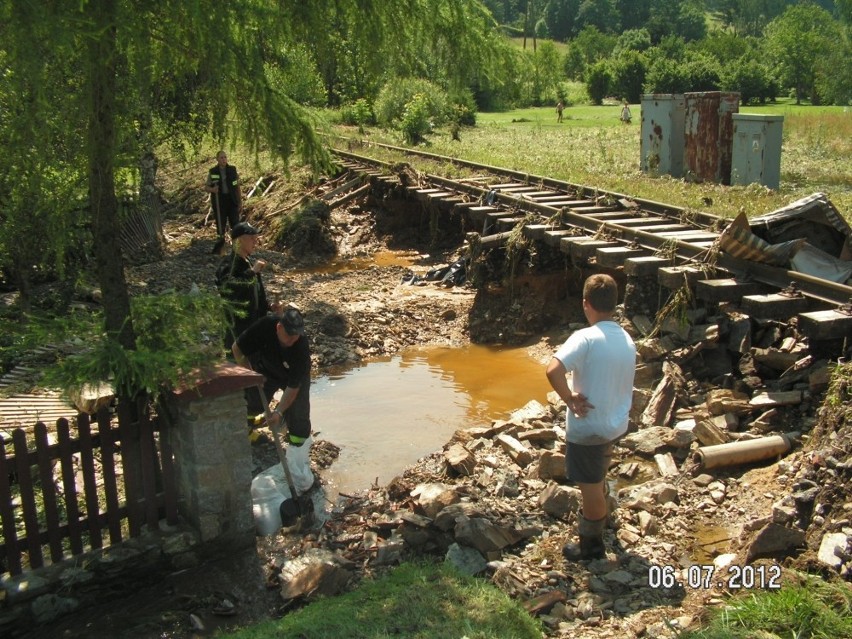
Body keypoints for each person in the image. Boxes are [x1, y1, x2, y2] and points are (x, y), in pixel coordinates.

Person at [545, 274, 636, 560]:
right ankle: (604, 506)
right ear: (615, 304)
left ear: (586, 304)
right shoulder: (626, 337)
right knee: (598, 473)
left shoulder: (586, 337)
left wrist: (569, 398)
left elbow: (553, 370)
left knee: (590, 490)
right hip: (615, 422)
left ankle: (591, 545)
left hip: (589, 428)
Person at [232, 308, 315, 494]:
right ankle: (248, 430)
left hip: (291, 377)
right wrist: (249, 375)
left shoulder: (301, 347)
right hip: (265, 369)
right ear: (278, 327)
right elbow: (237, 349)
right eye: (289, 335)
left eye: (297, 336)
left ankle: (297, 451)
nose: (293, 339)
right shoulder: (265, 326)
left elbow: (293, 387)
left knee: (299, 413)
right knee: (252, 402)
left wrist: (278, 412)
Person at [215, 221, 282, 351]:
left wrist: (268, 307)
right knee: (238, 365)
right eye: (251, 238)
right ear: (238, 241)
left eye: (256, 239)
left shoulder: (248, 262)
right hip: (237, 326)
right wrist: (252, 272)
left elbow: (255, 292)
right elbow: (229, 290)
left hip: (254, 323)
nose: (255, 242)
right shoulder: (228, 264)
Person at [206, 150, 243, 254]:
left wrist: (240, 202)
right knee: (221, 225)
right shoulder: (213, 171)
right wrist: (213, 190)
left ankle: (237, 249)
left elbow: (237, 187)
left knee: (235, 224)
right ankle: (220, 248)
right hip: (219, 202)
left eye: (225, 157)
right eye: (221, 158)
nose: (224, 159)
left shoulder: (232, 170)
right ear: (217, 159)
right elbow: (206, 187)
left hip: (232, 201)